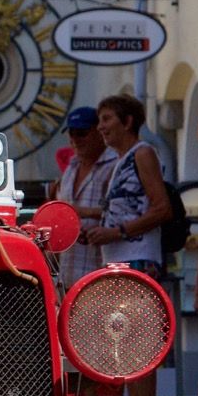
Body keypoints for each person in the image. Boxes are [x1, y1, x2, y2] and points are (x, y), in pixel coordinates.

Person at [86, 94, 173, 396]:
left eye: (107, 118)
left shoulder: (144, 153)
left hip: (138, 261)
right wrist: (91, 223)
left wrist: (116, 231)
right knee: (131, 351)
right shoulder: (122, 160)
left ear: (128, 122)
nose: (101, 127)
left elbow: (160, 208)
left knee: (140, 350)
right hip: (122, 262)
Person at [50, 106, 118, 288]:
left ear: (99, 132)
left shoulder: (115, 166)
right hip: (68, 274)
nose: (74, 140)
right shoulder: (71, 168)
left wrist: (80, 213)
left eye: (81, 133)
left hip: (101, 273)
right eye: (71, 133)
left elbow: (123, 213)